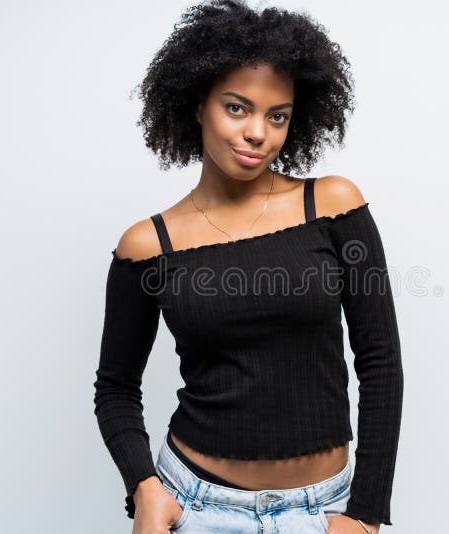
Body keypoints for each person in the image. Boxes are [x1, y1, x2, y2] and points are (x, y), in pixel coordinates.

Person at [93, 1, 404, 532]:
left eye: (277, 115)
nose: (258, 132)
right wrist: (144, 488)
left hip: (325, 511)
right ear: (197, 105)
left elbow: (380, 361)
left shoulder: (333, 205)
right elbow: (116, 388)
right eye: (236, 108)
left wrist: (366, 513)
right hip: (195, 507)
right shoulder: (148, 245)